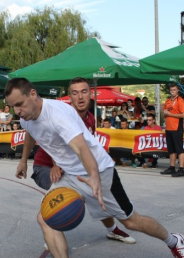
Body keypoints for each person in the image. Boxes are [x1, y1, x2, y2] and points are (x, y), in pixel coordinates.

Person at [5, 77, 184, 258]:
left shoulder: (58, 115)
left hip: (99, 172)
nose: (17, 112)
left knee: (131, 221)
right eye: (13, 107)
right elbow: (31, 132)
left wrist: (93, 176)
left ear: (33, 95)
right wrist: (23, 160)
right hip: (69, 174)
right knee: (45, 217)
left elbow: (81, 147)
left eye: (20, 105)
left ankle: (174, 241)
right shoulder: (27, 117)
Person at [31, 78, 135, 246]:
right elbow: (48, 139)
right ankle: (52, 232)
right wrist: (55, 164)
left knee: (96, 192)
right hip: (46, 166)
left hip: (70, 167)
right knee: (65, 198)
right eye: (74, 93)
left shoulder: (91, 119)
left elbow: (83, 148)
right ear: (69, 97)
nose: (80, 97)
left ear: (90, 94)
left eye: (83, 92)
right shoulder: (61, 116)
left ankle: (112, 229)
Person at [161, 84, 184, 177]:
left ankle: (181, 169)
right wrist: (165, 114)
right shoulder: (167, 101)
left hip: (177, 127)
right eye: (171, 89)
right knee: (171, 149)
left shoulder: (180, 101)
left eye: (174, 90)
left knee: (179, 148)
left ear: (177, 90)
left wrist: (170, 114)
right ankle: (172, 167)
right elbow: (164, 114)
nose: (172, 91)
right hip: (168, 127)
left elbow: (183, 115)